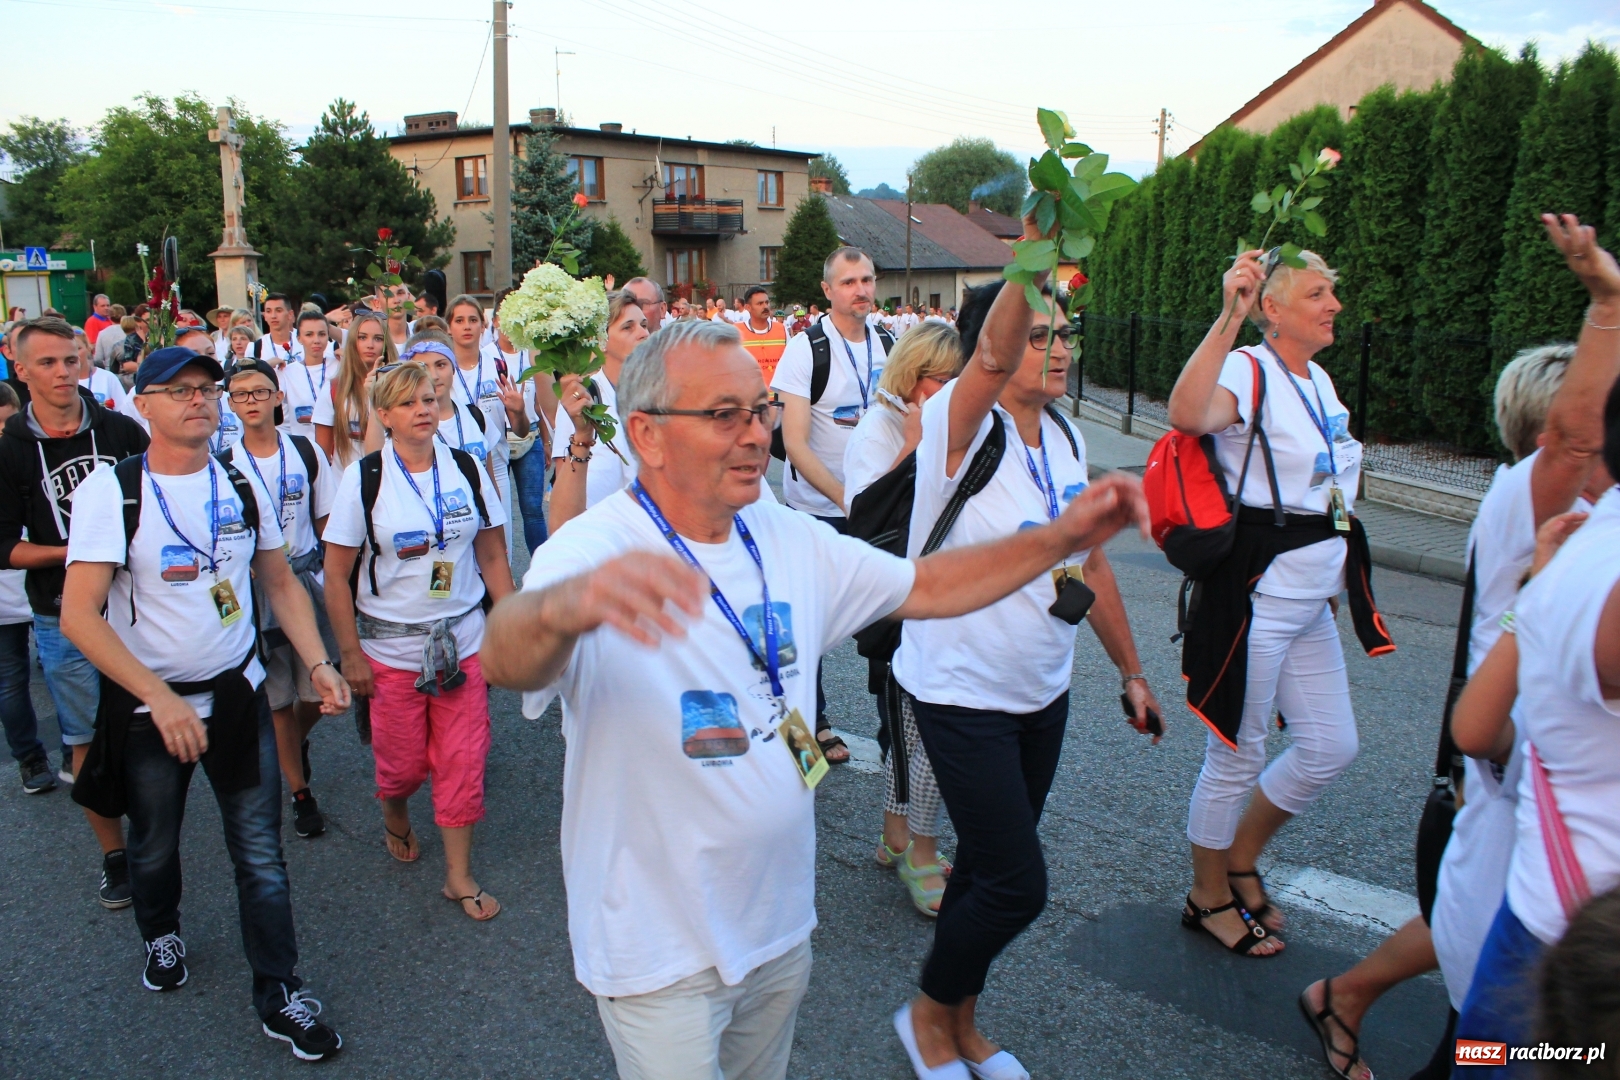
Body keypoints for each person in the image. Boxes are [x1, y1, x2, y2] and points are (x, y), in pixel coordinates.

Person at [477, 317, 1149, 1080]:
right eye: (723, 415)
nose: (757, 434)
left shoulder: (783, 533)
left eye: (760, 409)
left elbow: (928, 585)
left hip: (778, 927)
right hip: (657, 951)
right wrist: (564, 608)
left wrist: (1060, 539)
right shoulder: (593, 550)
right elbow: (505, 657)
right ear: (649, 434)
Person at [891, 277, 1162, 1078]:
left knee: (980, 870)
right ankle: (927, 1017)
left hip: (1042, 689)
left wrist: (1132, 672)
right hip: (959, 689)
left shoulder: (1069, 441)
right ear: (994, 350)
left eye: (1064, 334)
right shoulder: (957, 429)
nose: (1060, 349)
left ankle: (963, 1028)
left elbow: (1090, 562)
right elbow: (996, 349)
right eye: (1039, 335)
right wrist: (1033, 259)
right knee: (1017, 885)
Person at [60, 343, 347, 1059]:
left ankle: (280, 992)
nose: (199, 399)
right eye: (179, 389)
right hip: (152, 711)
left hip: (239, 696)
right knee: (153, 844)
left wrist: (318, 662)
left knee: (259, 851)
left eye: (207, 387)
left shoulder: (238, 482)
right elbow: (77, 616)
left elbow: (278, 579)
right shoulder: (112, 490)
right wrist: (159, 700)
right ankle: (160, 931)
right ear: (142, 404)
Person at [1165, 246, 1396, 973]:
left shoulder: (1319, 378)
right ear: (1275, 308)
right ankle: (1207, 897)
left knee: (1331, 745)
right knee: (1237, 755)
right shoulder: (1248, 368)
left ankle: (1240, 859)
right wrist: (1227, 316)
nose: (1334, 305)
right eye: (1319, 294)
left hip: (1312, 599)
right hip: (1260, 597)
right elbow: (1185, 413)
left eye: (1333, 292)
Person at [1449, 377, 1620, 1078]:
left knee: (1485, 1049)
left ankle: (1351, 998)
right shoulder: (1548, 515)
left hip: (1541, 914)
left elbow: (1472, 726)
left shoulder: (1577, 552)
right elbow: (1475, 729)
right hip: (1566, 930)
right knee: (1497, 1050)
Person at [321, 361, 513, 920]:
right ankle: (396, 809)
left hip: (462, 642)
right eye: (407, 403)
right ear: (384, 415)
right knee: (403, 765)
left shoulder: (467, 468)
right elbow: (336, 577)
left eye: (428, 398)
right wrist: (349, 654)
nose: (423, 409)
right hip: (390, 651)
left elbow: (494, 553)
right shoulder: (365, 478)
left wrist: (509, 624)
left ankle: (459, 875)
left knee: (462, 759)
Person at [0, 316, 149, 904]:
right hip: (62, 614)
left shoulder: (119, 430)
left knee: (146, 726)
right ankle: (114, 854)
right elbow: (4, 547)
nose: (63, 372)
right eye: (48, 363)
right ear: (21, 370)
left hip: (139, 608)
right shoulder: (9, 451)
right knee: (85, 733)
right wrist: (80, 552)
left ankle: (153, 835)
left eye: (71, 359)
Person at [842, 321, 962, 917]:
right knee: (920, 731)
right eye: (948, 380)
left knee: (910, 730)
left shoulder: (951, 426)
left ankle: (897, 834)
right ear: (915, 381)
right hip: (898, 607)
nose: (959, 391)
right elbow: (867, 521)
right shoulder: (878, 430)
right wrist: (916, 448)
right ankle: (918, 851)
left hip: (940, 600)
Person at [772, 246, 895, 763]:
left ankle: (896, 725)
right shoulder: (806, 348)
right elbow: (795, 443)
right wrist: (848, 499)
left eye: (866, 279)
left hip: (877, 508)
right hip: (820, 508)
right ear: (827, 291)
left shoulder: (890, 341)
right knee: (810, 623)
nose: (860, 289)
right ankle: (810, 725)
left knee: (888, 616)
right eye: (848, 282)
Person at [224, 358, 340, 839]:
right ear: (231, 405)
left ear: (278, 398)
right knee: (274, 699)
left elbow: (325, 522)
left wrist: (339, 586)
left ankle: (294, 741)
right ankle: (300, 792)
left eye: (259, 392)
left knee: (315, 694)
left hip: (305, 578)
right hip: (255, 588)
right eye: (240, 395)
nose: (251, 401)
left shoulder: (304, 450)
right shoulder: (223, 463)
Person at [547, 291, 649, 533]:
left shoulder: (667, 392)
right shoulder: (583, 399)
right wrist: (583, 438)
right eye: (628, 327)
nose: (643, 333)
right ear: (600, 340)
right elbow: (562, 520)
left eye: (644, 325)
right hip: (606, 542)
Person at [0, 380, 54, 793]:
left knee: (62, 667)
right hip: (6, 594)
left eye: (5, 424)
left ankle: (77, 747)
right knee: (11, 678)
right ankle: (30, 757)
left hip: (46, 586)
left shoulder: (29, 452)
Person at [447, 294, 530, 550]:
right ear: (449, 326)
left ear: (483, 326)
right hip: (453, 470)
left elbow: (521, 430)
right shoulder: (441, 369)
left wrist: (518, 412)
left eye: (473, 320)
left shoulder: (498, 366)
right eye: (459, 320)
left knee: (500, 546)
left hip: (495, 466)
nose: (467, 326)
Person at [490, 286, 558, 554]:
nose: (510, 324)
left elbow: (539, 402)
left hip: (529, 437)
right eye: (504, 317)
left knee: (532, 510)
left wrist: (547, 440)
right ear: (496, 320)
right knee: (498, 510)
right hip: (498, 441)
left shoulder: (532, 355)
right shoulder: (485, 356)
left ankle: (541, 569)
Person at [315, 309, 396, 469]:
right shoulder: (334, 389)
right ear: (352, 342)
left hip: (389, 482)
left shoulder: (400, 387)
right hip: (344, 485)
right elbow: (322, 456)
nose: (370, 345)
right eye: (362, 337)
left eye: (378, 339)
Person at [280, 311, 340, 443]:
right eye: (309, 335)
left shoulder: (340, 366)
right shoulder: (287, 373)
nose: (316, 340)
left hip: (338, 454)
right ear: (299, 338)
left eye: (322, 334)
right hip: (304, 452)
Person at [736, 286, 789, 387]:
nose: (765, 307)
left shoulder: (782, 330)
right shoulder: (737, 332)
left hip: (778, 398)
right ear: (748, 307)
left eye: (767, 302)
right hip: (750, 399)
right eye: (760, 304)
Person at [253, 294, 300, 366]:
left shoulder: (303, 342)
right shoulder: (256, 347)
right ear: (265, 315)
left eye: (278, 311)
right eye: (268, 311)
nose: (273, 316)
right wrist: (266, 366)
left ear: (290, 314)